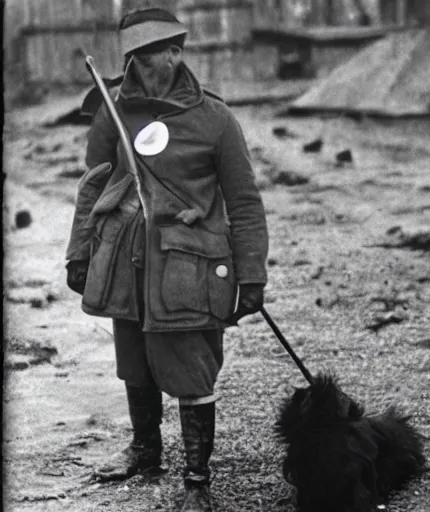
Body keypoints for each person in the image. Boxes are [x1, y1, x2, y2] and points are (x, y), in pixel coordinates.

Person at [65, 1, 268, 510]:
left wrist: (252, 274)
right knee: (135, 359)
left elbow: (243, 202)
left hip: (189, 267)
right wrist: (80, 253)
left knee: (189, 364)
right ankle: (144, 451)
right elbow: (92, 186)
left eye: (164, 51)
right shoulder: (111, 113)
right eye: (145, 53)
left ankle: (197, 476)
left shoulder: (215, 120)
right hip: (124, 259)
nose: (157, 62)